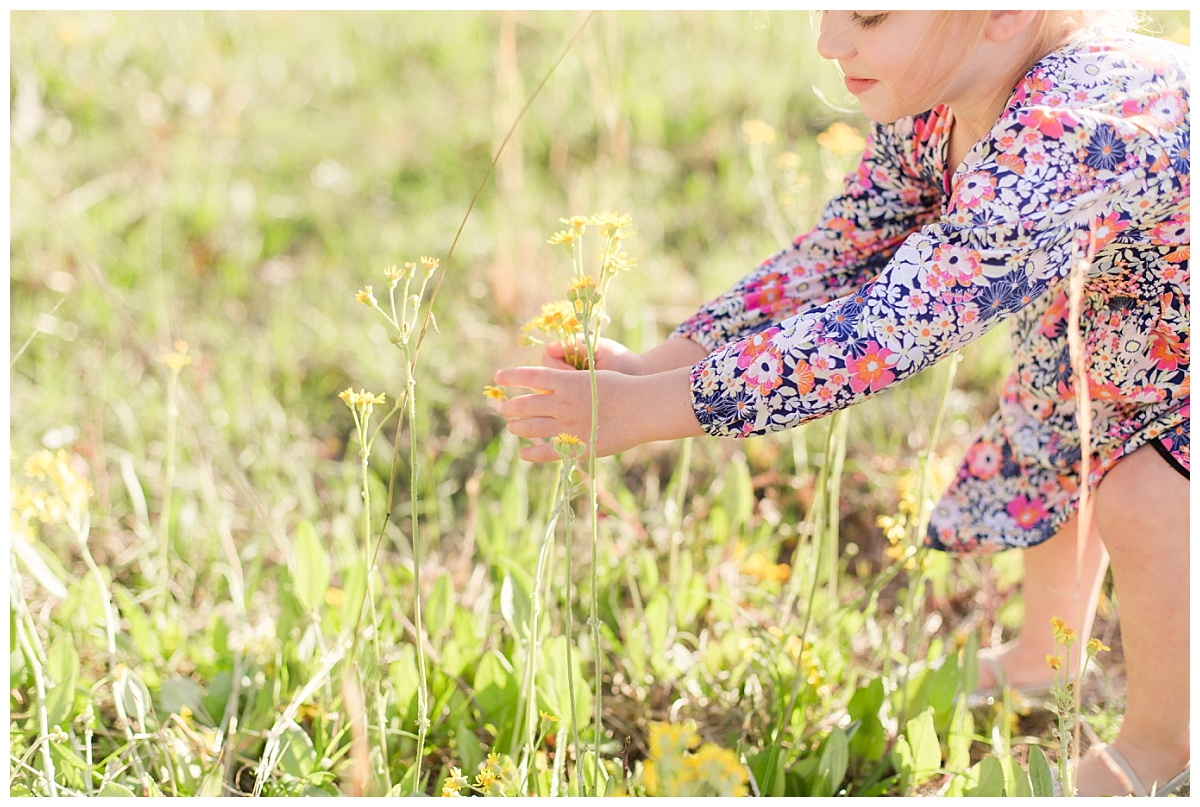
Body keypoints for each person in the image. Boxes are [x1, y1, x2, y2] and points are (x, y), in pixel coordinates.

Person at [495, 11, 1189, 796]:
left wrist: (650, 410)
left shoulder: (1069, 132)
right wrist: (655, 368)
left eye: (869, 13)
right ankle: (1044, 655)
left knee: (1143, 495)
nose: (829, 41)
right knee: (1054, 425)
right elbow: (840, 258)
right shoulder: (939, 96)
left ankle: (1159, 747)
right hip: (1122, 321)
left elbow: (881, 331)